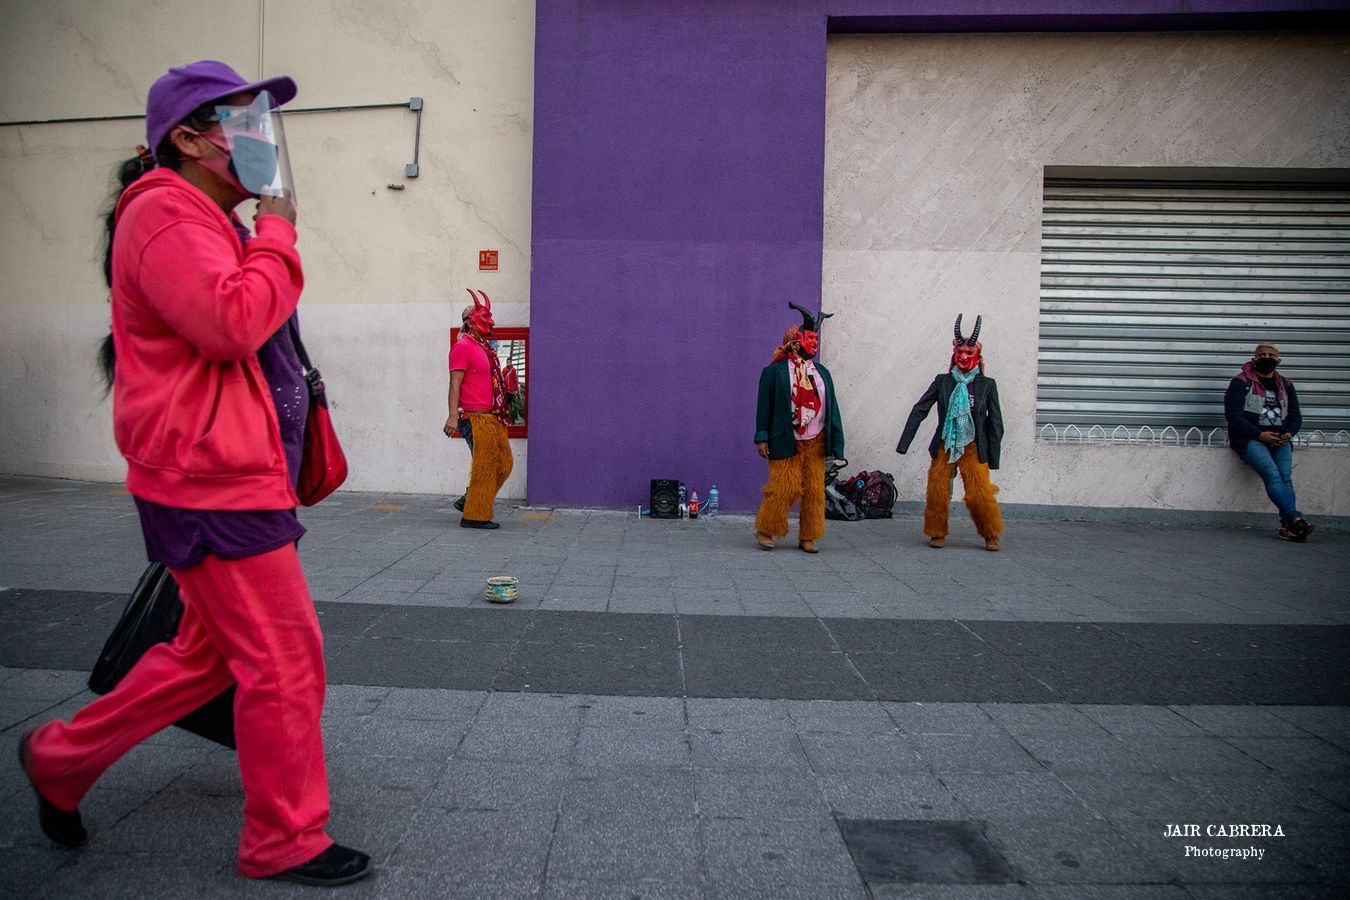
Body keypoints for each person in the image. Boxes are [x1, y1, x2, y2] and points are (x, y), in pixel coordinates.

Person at [16, 60, 371, 886]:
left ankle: (62, 759)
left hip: (226, 473)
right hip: (212, 480)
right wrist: (280, 231)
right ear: (187, 138)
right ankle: (285, 839)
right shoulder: (167, 213)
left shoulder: (203, 216)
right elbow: (230, 323)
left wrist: (262, 237)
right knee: (285, 660)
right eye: (243, 122)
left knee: (205, 658)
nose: (261, 139)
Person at [897, 314, 1004, 551]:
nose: (964, 357)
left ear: (977, 356)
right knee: (937, 488)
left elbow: (995, 422)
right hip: (945, 442)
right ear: (954, 355)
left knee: (979, 492)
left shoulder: (987, 385)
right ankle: (937, 532)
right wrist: (904, 442)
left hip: (974, 444)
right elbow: (920, 409)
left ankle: (991, 533)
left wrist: (993, 457)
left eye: (969, 353)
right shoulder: (943, 381)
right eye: (960, 353)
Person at [753, 302, 845, 553]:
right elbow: (764, 407)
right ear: (794, 343)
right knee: (784, 487)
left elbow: (832, 409)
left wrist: (836, 445)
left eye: (816, 338)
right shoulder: (774, 372)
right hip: (786, 438)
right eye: (809, 338)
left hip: (815, 440)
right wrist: (762, 437)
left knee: (815, 490)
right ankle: (766, 529)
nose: (814, 343)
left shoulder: (822, 373)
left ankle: (809, 536)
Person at [1224, 343, 1313, 541]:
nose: (1267, 357)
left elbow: (1295, 416)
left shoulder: (1286, 385)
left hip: (1280, 440)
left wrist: (1289, 433)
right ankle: (1294, 519)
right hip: (1250, 439)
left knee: (1285, 478)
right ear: (1254, 359)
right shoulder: (1241, 382)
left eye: (1271, 355)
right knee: (1272, 475)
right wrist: (1259, 435)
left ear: (1278, 360)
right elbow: (1234, 416)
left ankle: (1290, 526)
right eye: (1262, 354)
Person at [443, 289, 514, 528]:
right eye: (483, 317)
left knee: (504, 464)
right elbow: (455, 383)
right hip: (473, 416)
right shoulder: (462, 347)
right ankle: (474, 515)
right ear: (469, 322)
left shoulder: (485, 348)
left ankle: (469, 500)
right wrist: (453, 416)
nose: (490, 322)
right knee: (485, 466)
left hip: (492, 415)